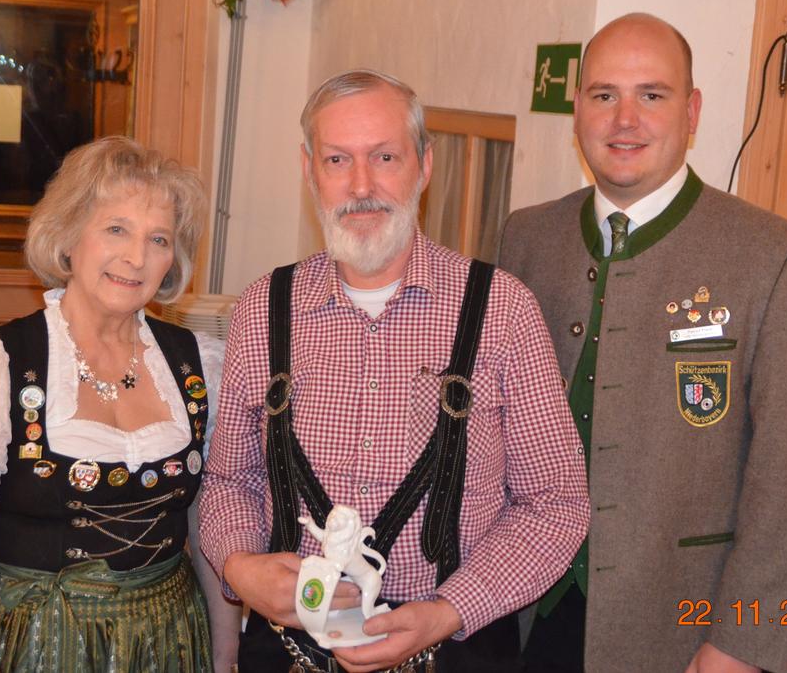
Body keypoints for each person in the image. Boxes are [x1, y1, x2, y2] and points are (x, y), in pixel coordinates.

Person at [200, 69, 590, 672]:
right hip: (287, 647)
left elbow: (556, 503)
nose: (361, 186)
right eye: (337, 160)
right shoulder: (263, 308)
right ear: (309, 170)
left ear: (424, 165)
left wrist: (451, 608)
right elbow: (231, 481)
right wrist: (240, 566)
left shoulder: (502, 310)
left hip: (454, 647)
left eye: (384, 157)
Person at [499, 13, 787, 673]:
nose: (624, 119)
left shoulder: (778, 256)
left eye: (651, 94)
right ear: (578, 110)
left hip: (681, 632)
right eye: (604, 95)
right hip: (521, 615)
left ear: (692, 111)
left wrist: (742, 644)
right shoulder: (526, 236)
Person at [0, 137, 239, 672]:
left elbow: (208, 530)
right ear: (68, 236)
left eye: (158, 239)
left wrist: (223, 659)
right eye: (116, 229)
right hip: (32, 645)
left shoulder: (200, 365)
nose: (136, 257)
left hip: (172, 645)